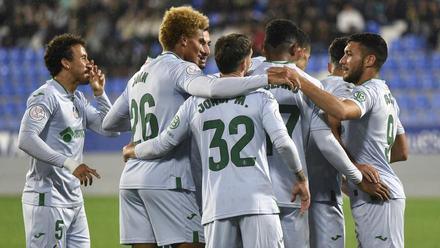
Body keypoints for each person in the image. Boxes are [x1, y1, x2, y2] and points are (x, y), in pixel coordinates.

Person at [102, 6, 295, 248]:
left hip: (132, 180)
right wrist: (265, 78)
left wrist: (142, 114)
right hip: (170, 177)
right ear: (183, 41)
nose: (206, 50)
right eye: (201, 43)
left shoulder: (139, 76)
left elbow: (109, 124)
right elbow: (214, 88)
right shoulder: (182, 69)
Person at [275, 33, 408, 248]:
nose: (344, 60)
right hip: (373, 189)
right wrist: (358, 166)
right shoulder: (386, 93)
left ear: (369, 60)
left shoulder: (366, 92)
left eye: (349, 54)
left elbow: (341, 110)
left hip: (377, 190)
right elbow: (402, 151)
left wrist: (301, 80)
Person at [17, 33, 118, 248]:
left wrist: (100, 93)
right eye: (83, 57)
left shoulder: (78, 99)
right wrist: (71, 164)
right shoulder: (46, 96)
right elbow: (26, 139)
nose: (89, 63)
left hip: (74, 200)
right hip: (47, 200)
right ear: (65, 63)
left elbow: (110, 129)